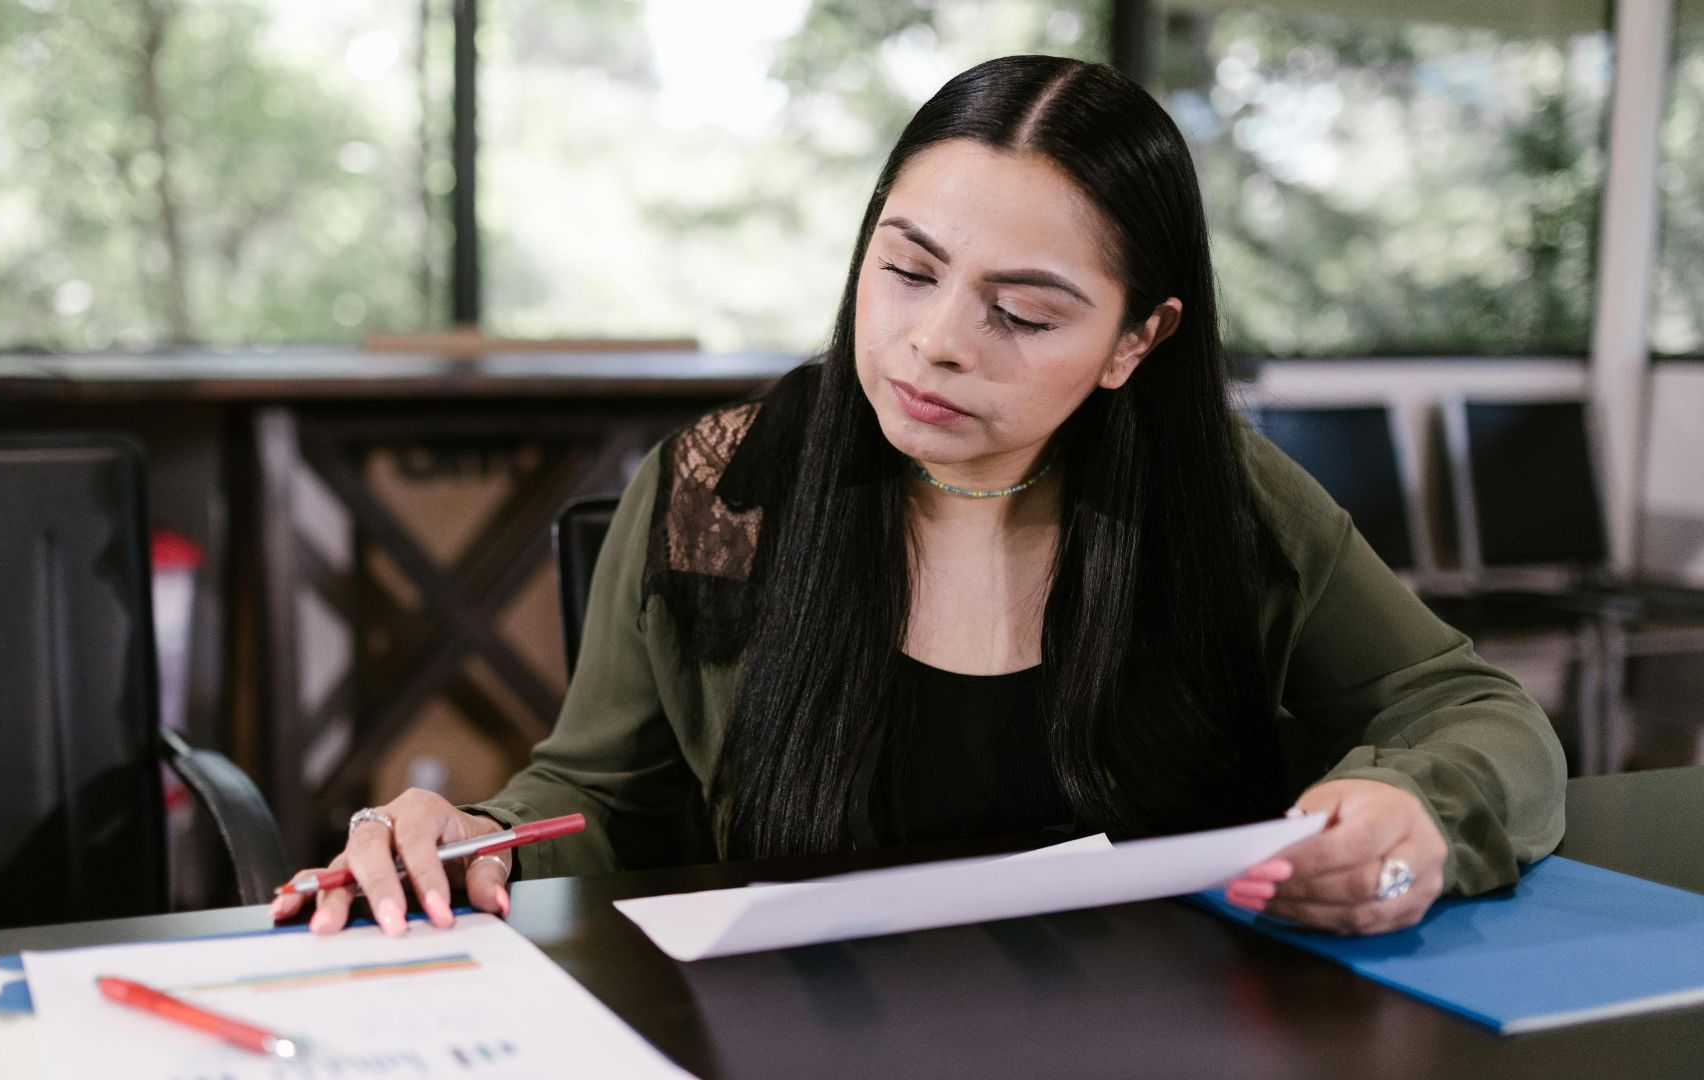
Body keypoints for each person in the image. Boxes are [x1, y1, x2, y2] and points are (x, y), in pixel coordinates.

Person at [274, 55, 1565, 939]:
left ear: (1136, 342)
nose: (936, 341)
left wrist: (1421, 822)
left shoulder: (1217, 503)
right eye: (907, 270)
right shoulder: (720, 493)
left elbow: (1477, 715)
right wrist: (475, 838)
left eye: (1020, 312)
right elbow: (600, 799)